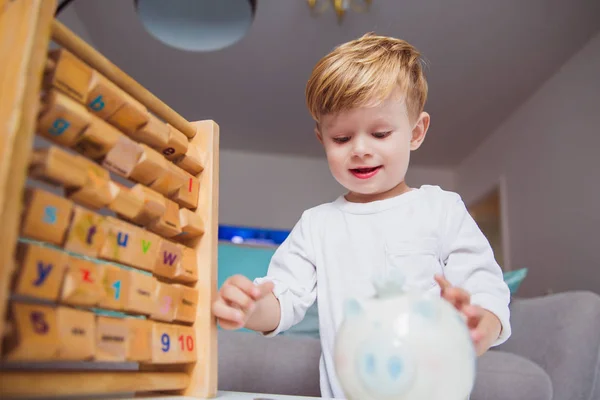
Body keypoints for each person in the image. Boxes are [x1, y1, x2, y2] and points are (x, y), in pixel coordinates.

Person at [212, 33, 511, 398]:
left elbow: (485, 288)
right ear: (322, 138)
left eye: (380, 133)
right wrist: (250, 307)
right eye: (341, 139)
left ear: (416, 132)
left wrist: (481, 324)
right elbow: (284, 299)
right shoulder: (317, 225)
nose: (361, 150)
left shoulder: (441, 209)